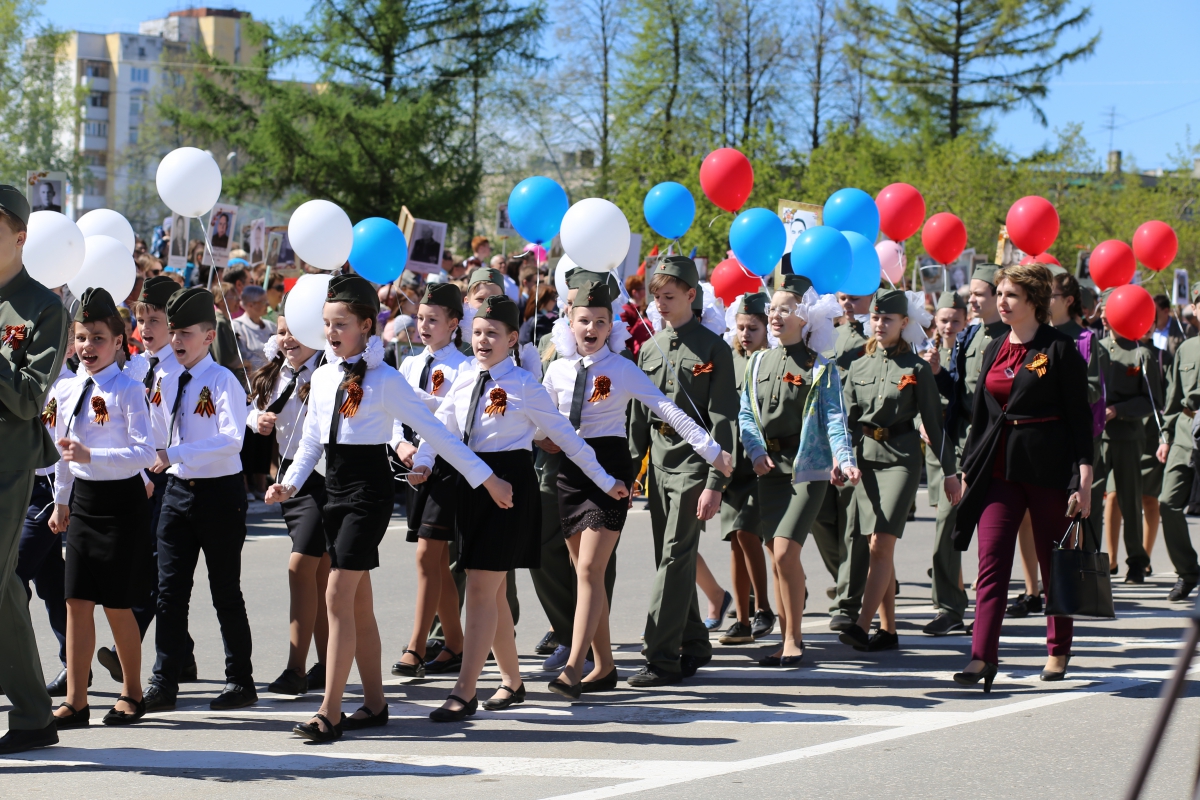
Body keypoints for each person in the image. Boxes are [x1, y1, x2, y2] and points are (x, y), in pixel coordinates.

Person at [266, 275, 511, 742]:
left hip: (368, 495)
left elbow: (436, 432)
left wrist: (487, 478)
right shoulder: (321, 376)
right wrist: (289, 483)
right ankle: (375, 705)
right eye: (326, 325)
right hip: (331, 490)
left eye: (341, 324)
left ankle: (330, 711)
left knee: (337, 595)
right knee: (357, 605)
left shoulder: (385, 379)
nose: (332, 333)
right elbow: (313, 441)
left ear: (365, 325)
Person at [409, 294, 624, 718]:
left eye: (493, 334)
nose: (483, 340)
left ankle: (465, 689)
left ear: (512, 341)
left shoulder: (526, 386)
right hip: (472, 483)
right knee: (491, 594)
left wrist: (605, 479)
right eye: (477, 332)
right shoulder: (466, 378)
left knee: (484, 592)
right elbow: (440, 429)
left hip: (508, 488)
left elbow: (567, 438)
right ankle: (512, 681)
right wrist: (420, 463)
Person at [542, 280, 731, 696]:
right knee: (583, 575)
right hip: (570, 473)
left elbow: (667, 409)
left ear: (612, 327)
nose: (591, 328)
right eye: (584, 321)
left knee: (591, 570)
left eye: (600, 322)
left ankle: (575, 665)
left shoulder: (623, 368)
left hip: (609, 472)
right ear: (569, 323)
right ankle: (605, 666)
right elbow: (541, 421)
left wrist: (711, 449)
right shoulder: (555, 369)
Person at [950, 263, 1093, 691]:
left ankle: (1057, 650)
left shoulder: (1061, 348)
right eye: (1000, 294)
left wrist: (1083, 477)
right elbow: (980, 417)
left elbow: (1079, 418)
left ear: (1032, 301)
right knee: (991, 564)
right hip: (998, 471)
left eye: (1011, 295)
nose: (1001, 302)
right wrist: (964, 466)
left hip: (1049, 470)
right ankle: (981, 657)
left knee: (1053, 565)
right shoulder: (993, 346)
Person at [141, 287, 256, 714]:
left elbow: (232, 441)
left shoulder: (222, 380)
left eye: (185, 333)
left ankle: (240, 680)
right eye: (173, 332)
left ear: (209, 337)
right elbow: (152, 436)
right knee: (169, 591)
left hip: (218, 495)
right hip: (176, 491)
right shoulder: (163, 377)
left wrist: (174, 455)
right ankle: (163, 680)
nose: (176, 341)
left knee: (225, 591)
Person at [46, 288, 155, 728]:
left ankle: (132, 691)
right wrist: (61, 500)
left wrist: (95, 459)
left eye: (97, 338)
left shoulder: (129, 389)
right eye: (81, 338)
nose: (87, 347)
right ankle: (76, 700)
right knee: (76, 601)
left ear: (118, 341)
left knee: (116, 603)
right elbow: (64, 451)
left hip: (122, 503)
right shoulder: (68, 387)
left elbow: (146, 453)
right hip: (86, 503)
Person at [627, 255, 737, 686]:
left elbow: (723, 419)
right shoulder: (649, 348)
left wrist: (716, 483)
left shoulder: (714, 349)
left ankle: (659, 655)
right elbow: (639, 412)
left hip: (695, 464)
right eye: (655, 297)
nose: (660, 304)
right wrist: (630, 468)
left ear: (693, 296)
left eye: (669, 297)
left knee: (674, 556)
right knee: (672, 557)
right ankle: (693, 640)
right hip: (660, 463)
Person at [740, 276, 859, 666]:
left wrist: (845, 460)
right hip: (768, 472)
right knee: (777, 557)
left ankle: (794, 638)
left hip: (806, 471)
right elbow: (746, 414)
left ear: (805, 318)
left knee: (787, 552)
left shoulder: (821, 366)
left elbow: (835, 419)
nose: (775, 315)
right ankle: (784, 635)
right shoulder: (758, 361)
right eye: (772, 308)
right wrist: (755, 451)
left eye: (785, 309)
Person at [839, 289, 959, 652]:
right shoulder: (858, 365)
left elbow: (934, 426)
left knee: (880, 542)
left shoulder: (918, 369)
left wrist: (950, 472)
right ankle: (888, 631)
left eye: (888, 319)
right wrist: (840, 459)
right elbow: (844, 421)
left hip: (902, 460)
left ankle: (862, 624)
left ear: (904, 323)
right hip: (866, 460)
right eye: (875, 317)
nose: (879, 324)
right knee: (877, 548)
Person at [0, 184, 69, 755]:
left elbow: (27, 398)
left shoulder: (44, 306)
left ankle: (31, 712)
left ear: (20, 237)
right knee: (1, 590)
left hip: (8, 462)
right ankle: (31, 713)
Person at [389, 282, 472, 680]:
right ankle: (455, 643)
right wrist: (400, 445)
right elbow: (394, 413)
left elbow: (446, 422)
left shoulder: (463, 367)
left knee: (428, 556)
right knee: (436, 561)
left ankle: (416, 646)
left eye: (433, 320)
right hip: (413, 468)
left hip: (445, 467)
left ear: (454, 323)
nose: (423, 326)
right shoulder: (408, 363)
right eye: (420, 318)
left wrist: (422, 454)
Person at [249, 305, 330, 696]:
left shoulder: (329, 374)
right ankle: (330, 663)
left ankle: (296, 668)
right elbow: (250, 412)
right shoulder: (274, 375)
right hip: (287, 481)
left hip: (323, 480)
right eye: (282, 331)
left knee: (302, 568)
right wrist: (257, 420)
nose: (288, 338)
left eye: (296, 331)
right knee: (319, 576)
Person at [718, 292, 775, 646]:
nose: (745, 334)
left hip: (760, 463)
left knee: (747, 533)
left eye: (752, 327)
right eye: (740, 327)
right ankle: (741, 619)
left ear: (767, 327)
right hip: (731, 462)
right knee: (735, 542)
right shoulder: (730, 360)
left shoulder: (771, 361)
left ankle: (764, 608)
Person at [815, 290, 873, 632]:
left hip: (859, 440)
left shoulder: (880, 334)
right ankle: (855, 578)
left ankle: (847, 601)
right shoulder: (826, 335)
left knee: (852, 523)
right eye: (842, 298)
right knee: (819, 518)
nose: (847, 304)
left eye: (855, 297)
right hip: (823, 439)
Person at [23, 336, 73, 696]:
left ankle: (13, 665)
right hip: (21, 485)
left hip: (50, 488)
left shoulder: (70, 385)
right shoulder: (23, 379)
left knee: (10, 576)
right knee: (51, 581)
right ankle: (75, 664)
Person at [1099, 290, 1159, 583]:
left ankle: (1136, 561)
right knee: (1091, 499)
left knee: (1130, 500)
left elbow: (1151, 402)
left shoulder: (1141, 353)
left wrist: (1119, 410)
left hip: (1127, 436)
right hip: (1097, 438)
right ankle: (1092, 558)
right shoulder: (1095, 348)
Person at [921, 291, 968, 635]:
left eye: (955, 320)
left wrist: (939, 373)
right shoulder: (925, 352)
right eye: (943, 320)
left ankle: (950, 605)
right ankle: (951, 601)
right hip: (936, 451)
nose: (949, 326)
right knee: (946, 527)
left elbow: (961, 396)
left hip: (962, 448)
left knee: (949, 527)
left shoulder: (966, 351)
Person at [1154, 284, 1200, 603]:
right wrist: (1166, 437)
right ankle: (1188, 572)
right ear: (1194, 309)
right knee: (1167, 503)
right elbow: (1172, 398)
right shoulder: (1186, 348)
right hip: (1186, 429)